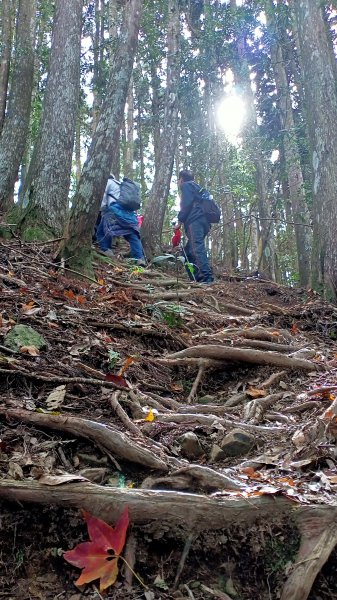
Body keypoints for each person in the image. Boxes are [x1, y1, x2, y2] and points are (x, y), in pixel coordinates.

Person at [96, 175, 145, 265]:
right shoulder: (121, 185)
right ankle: (140, 258)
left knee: (102, 231)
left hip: (114, 210)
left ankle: (107, 251)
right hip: (129, 214)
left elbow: (103, 199)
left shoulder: (108, 182)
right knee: (132, 234)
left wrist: (100, 210)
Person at [175, 169, 214, 283]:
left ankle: (207, 279)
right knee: (187, 253)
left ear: (181, 179)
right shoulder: (198, 188)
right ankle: (196, 278)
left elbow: (186, 205)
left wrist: (179, 222)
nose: (178, 182)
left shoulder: (186, 186)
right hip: (204, 222)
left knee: (197, 249)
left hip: (195, 221)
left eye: (178, 180)